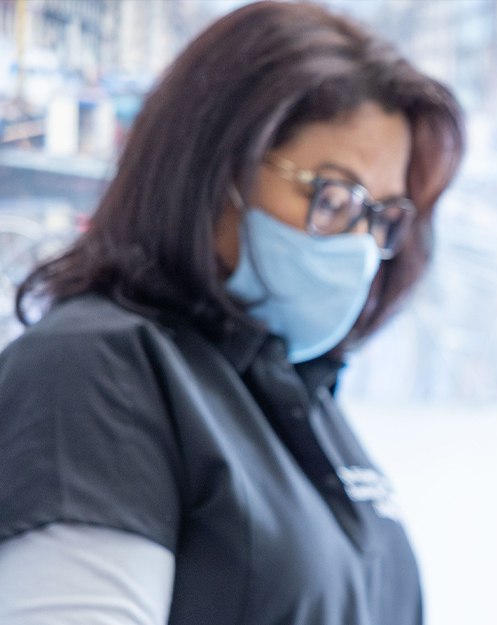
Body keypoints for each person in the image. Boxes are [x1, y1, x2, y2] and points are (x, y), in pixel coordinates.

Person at [0, 3, 462, 624]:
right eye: (331, 196)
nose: (358, 246)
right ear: (219, 170)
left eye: (381, 217)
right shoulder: (96, 369)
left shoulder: (294, 392)